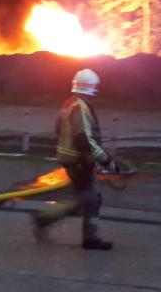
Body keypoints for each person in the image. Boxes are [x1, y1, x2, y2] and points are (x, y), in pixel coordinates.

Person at [32, 68, 116, 250]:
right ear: (92, 87)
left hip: (72, 159)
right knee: (90, 198)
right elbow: (83, 139)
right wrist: (104, 158)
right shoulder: (81, 107)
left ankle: (46, 219)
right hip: (79, 161)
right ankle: (88, 238)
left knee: (85, 197)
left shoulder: (69, 103)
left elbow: (58, 129)